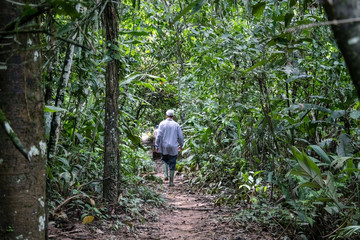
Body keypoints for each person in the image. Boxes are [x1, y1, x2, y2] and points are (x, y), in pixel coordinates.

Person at [155, 109, 184, 186]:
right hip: (173, 146)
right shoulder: (176, 125)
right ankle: (171, 182)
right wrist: (181, 145)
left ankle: (165, 175)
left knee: (164, 159)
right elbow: (180, 137)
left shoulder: (162, 124)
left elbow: (158, 135)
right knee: (172, 162)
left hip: (164, 145)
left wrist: (156, 145)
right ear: (173, 116)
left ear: (166, 115)